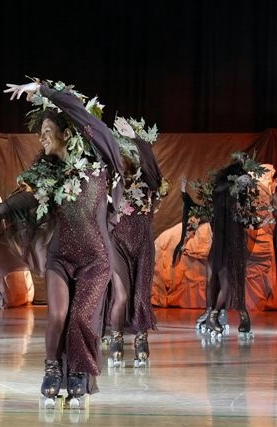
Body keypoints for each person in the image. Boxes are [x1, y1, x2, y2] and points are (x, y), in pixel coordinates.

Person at [0, 78, 124, 405]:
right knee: (57, 316)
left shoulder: (98, 162)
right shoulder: (47, 177)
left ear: (68, 133)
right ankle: (52, 369)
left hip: (95, 259)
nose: (41, 137)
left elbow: (83, 116)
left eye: (47, 130)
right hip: (60, 257)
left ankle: (79, 372)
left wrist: (44, 91)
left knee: (81, 318)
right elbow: (13, 204)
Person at [174, 152, 271, 340]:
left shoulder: (236, 204)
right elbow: (197, 208)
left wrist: (260, 222)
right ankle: (212, 315)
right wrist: (184, 194)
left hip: (232, 248)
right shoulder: (221, 201)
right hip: (222, 248)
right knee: (219, 283)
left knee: (232, 284)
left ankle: (231, 317)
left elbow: (247, 220)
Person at [104, 116, 165, 368]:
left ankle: (141, 339)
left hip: (142, 242)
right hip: (117, 241)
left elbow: (155, 173)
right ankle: (116, 338)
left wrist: (137, 139)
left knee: (141, 294)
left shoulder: (147, 179)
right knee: (122, 295)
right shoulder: (111, 179)